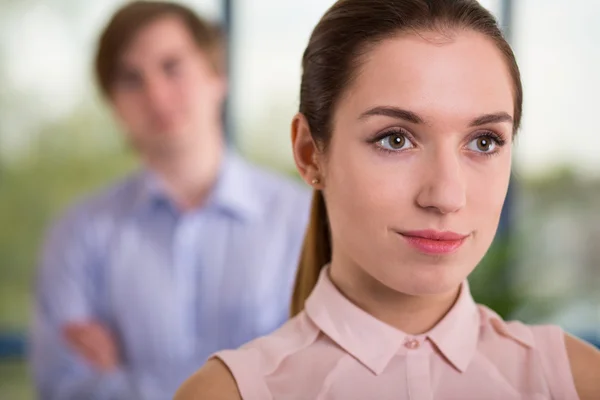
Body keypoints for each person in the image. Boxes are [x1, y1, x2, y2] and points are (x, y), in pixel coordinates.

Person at [175, 0, 600, 399]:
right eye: (395, 140)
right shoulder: (229, 392)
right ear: (310, 153)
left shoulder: (578, 381)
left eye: (484, 142)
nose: (446, 196)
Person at [30, 2, 310, 399]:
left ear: (217, 75)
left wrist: (125, 381)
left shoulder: (302, 222)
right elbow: (64, 386)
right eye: (131, 78)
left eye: (172, 66)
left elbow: (320, 379)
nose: (156, 94)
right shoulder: (78, 233)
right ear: (113, 104)